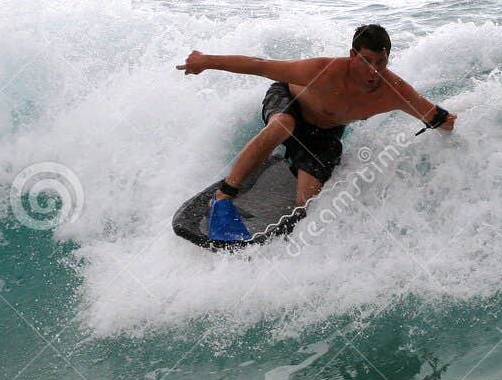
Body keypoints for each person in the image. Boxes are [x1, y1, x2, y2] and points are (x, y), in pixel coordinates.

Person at [177, 25, 455, 241]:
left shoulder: (394, 91)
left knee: (308, 204)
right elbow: (259, 65)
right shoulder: (323, 71)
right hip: (290, 105)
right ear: (353, 56)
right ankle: (224, 197)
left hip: (324, 134)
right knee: (283, 126)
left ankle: (292, 166)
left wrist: (477, 120)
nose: (373, 70)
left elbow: (437, 117)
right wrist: (206, 60)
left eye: (381, 62)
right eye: (366, 60)